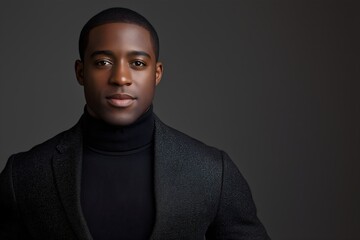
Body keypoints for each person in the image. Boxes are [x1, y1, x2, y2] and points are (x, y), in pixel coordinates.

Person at [0, 7, 270, 240]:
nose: (120, 77)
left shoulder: (213, 173)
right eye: (103, 62)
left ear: (157, 73)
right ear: (81, 72)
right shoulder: (23, 174)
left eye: (138, 63)